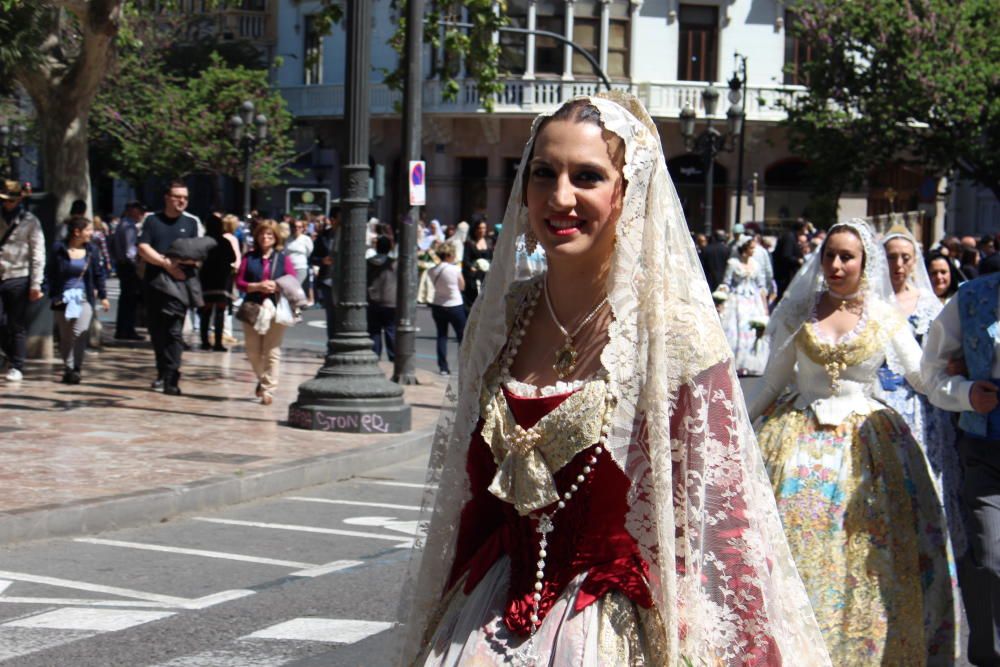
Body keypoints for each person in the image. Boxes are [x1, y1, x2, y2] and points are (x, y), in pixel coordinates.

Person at [401, 93, 829, 666]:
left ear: (627, 193)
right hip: (487, 612)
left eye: (587, 177)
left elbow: (721, 533)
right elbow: (474, 498)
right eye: (543, 174)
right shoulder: (505, 316)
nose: (559, 198)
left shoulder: (673, 337)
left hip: (608, 629)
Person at [748, 219, 958, 664]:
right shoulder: (797, 311)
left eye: (847, 256)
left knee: (869, 552)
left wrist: (964, 389)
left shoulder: (883, 316)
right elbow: (770, 384)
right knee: (793, 550)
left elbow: (921, 376)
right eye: (830, 255)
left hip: (868, 444)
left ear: (865, 263)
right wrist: (732, 430)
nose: (837, 264)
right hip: (796, 438)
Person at [878, 226, 965, 561]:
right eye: (891, 258)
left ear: (914, 262)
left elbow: (946, 352)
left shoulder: (930, 305)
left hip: (923, 404)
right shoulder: (873, 305)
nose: (898, 265)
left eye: (905, 258)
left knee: (928, 475)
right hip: (883, 399)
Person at [137, 180, 201, 395]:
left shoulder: (191, 223)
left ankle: (172, 377)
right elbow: (143, 247)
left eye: (185, 197)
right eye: (177, 196)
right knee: (157, 332)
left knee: (174, 331)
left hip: (180, 284)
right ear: (167, 198)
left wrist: (185, 264)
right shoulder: (152, 221)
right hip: (155, 283)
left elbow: (197, 252)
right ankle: (162, 372)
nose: (182, 200)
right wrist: (165, 263)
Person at [235, 220, 294, 406]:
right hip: (253, 308)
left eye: (269, 234)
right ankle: (262, 379)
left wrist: (276, 286)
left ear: (276, 237)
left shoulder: (283, 258)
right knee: (253, 351)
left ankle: (269, 390)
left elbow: (291, 279)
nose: (265, 237)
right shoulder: (249, 257)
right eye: (262, 234)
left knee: (272, 351)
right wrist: (257, 286)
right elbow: (239, 282)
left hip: (276, 308)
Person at [46, 216, 109, 384]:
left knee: (80, 332)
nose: (91, 233)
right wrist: (48, 292)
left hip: (83, 298)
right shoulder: (58, 249)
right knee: (65, 336)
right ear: (77, 232)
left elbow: (98, 274)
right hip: (62, 298)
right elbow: (50, 272)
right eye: (88, 230)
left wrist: (103, 296)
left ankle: (76, 367)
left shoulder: (92, 251)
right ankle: (68, 368)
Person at [0, 180, 45, 382]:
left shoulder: (30, 221)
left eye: (11, 199)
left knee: (16, 324)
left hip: (19, 276)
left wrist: (36, 283)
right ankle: (9, 354)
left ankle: (17, 365)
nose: (8, 203)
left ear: (19, 199)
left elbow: (38, 253)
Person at [719, 234, 770, 376]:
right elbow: (726, 282)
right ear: (745, 248)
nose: (754, 250)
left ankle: (751, 362)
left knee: (753, 330)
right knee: (737, 330)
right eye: (752, 248)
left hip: (753, 301)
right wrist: (722, 300)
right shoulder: (733, 263)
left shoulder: (756, 264)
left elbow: (761, 286)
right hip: (737, 300)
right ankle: (737, 363)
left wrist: (765, 307)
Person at [198, 214, 239, 351]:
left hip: (206, 279)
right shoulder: (224, 242)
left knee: (206, 311)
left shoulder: (203, 241)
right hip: (222, 280)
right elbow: (232, 257)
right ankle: (218, 343)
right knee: (220, 311)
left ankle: (204, 341)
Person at [108, 201, 146, 341]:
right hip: (129, 267)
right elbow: (130, 251)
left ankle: (123, 329)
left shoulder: (121, 224)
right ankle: (127, 329)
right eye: (139, 211)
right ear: (132, 211)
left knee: (126, 299)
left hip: (122, 265)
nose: (142, 214)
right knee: (130, 300)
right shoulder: (129, 227)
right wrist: (137, 266)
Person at [426, 243, 465, 376]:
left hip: (438, 305)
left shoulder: (431, 271)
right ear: (449, 255)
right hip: (455, 305)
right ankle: (464, 366)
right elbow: (462, 286)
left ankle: (443, 367)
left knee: (441, 336)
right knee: (462, 337)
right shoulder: (455, 269)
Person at [365, 235, 396, 362]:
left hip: (373, 300)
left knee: (374, 331)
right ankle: (393, 356)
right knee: (390, 330)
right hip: (390, 302)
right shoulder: (394, 264)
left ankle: (375, 355)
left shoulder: (368, 262)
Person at [461, 217, 493, 309]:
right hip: (473, 276)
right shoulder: (470, 243)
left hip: (486, 274)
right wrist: (472, 268)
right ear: (475, 229)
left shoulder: (489, 241)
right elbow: (465, 260)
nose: (482, 230)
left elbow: (492, 257)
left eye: (484, 228)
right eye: (479, 228)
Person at [773, 219, 807, 299]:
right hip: (785, 277)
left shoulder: (792, 237)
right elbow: (786, 256)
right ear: (802, 228)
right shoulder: (789, 237)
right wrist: (798, 260)